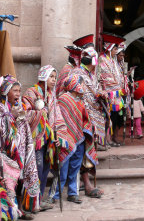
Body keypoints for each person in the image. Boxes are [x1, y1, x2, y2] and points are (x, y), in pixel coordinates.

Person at [22, 66, 68, 209]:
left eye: (55, 77)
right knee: (35, 168)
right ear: (43, 76)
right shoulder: (31, 92)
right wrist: (40, 114)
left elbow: (57, 116)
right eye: (51, 77)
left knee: (45, 169)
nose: (54, 80)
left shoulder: (51, 96)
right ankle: (29, 203)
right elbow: (24, 114)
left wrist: (57, 136)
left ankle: (39, 200)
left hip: (48, 140)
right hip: (35, 140)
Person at [50, 74, 97, 204]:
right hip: (65, 139)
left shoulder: (80, 100)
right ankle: (55, 194)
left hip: (79, 137)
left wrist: (88, 129)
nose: (82, 87)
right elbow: (59, 119)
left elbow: (84, 118)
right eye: (80, 84)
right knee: (63, 167)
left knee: (75, 168)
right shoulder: (63, 99)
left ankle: (73, 192)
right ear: (74, 85)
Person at [0, 75, 40, 219]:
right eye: (14, 90)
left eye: (19, 90)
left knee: (21, 181)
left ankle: (20, 209)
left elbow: (25, 128)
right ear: (5, 91)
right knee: (9, 183)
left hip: (20, 151)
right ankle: (11, 211)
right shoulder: (1, 108)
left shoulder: (19, 107)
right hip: (5, 154)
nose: (18, 94)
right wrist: (10, 115)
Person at [69, 44, 104, 198]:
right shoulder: (78, 73)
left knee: (88, 149)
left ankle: (84, 182)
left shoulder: (91, 74)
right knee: (83, 150)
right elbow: (75, 95)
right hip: (81, 118)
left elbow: (94, 92)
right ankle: (85, 183)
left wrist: (101, 95)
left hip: (93, 116)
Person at [97, 33, 126, 147]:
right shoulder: (102, 59)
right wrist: (118, 87)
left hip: (116, 95)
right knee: (107, 117)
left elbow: (118, 75)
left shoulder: (113, 60)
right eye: (115, 49)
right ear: (109, 48)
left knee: (115, 117)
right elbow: (105, 77)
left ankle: (112, 138)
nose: (116, 51)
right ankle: (106, 139)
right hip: (108, 94)